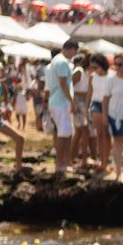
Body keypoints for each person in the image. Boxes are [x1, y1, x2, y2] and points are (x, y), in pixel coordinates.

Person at [45, 40, 79, 174]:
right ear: (71, 49)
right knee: (63, 134)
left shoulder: (57, 60)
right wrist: (72, 101)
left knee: (65, 133)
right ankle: (60, 164)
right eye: (75, 52)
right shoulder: (63, 62)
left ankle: (64, 162)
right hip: (61, 102)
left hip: (58, 101)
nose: (75, 55)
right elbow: (63, 84)